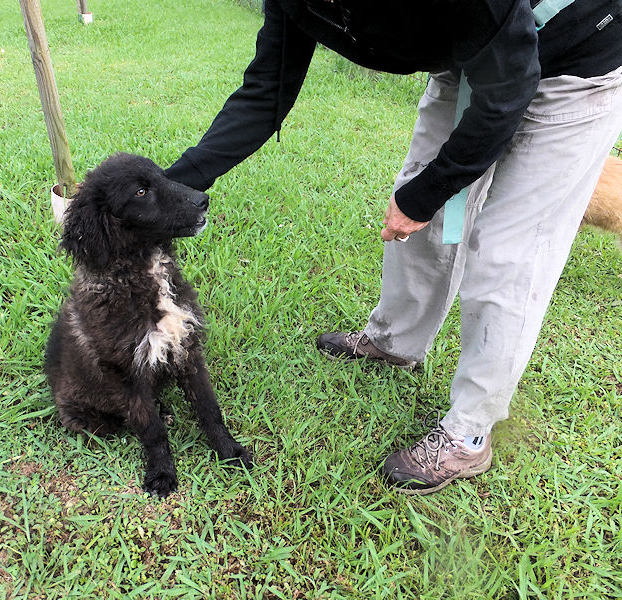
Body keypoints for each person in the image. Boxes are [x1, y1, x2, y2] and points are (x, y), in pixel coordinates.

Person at [164, 0, 622, 495]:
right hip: (470, 56)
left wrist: (425, 197)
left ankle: (469, 434)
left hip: (574, 63)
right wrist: (166, 191)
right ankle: (394, 342)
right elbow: (266, 89)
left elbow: (509, 90)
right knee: (421, 210)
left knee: (509, 254)